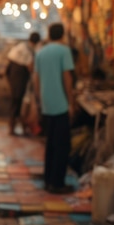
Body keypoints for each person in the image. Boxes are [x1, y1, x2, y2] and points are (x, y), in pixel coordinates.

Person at [33, 23, 75, 194]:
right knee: (62, 146)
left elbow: (36, 79)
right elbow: (67, 78)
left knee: (50, 144)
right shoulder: (64, 51)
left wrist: (39, 101)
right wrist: (71, 102)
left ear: (49, 34)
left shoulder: (41, 52)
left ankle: (48, 179)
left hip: (46, 105)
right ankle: (57, 184)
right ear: (63, 35)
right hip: (60, 104)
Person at [5, 31, 40, 135]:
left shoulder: (22, 46)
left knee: (16, 101)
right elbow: (30, 66)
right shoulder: (29, 50)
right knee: (17, 100)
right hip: (19, 76)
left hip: (14, 74)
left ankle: (14, 126)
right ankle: (12, 127)